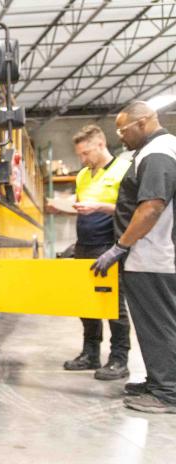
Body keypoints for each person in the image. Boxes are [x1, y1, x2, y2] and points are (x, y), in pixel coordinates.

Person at [92, 101, 176, 414]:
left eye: (123, 130)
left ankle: (167, 393)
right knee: (157, 324)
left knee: (159, 325)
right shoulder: (156, 150)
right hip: (151, 255)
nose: (121, 137)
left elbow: (151, 206)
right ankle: (159, 381)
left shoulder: (157, 153)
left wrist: (121, 247)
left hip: (154, 256)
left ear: (142, 123)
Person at [49, 125, 131, 380]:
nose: (82, 159)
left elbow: (129, 209)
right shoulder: (84, 175)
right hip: (84, 245)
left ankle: (119, 359)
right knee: (87, 303)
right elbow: (85, 207)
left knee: (113, 306)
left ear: (100, 144)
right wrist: (64, 208)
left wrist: (99, 206)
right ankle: (90, 353)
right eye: (80, 154)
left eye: (86, 153)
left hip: (109, 246)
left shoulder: (123, 169)